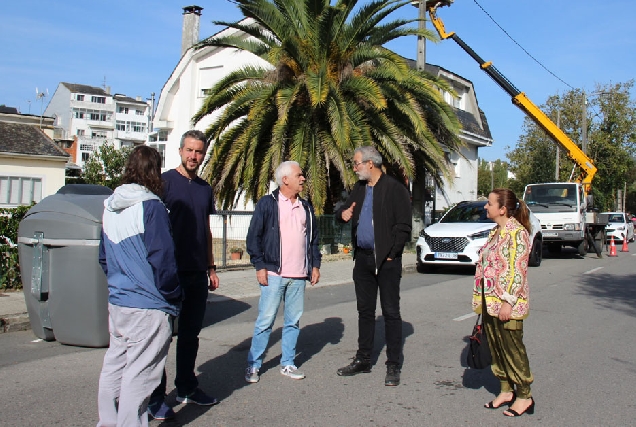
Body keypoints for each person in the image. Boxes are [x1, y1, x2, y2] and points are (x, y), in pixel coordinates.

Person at [97, 146, 182, 427]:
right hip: (148, 305)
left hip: (119, 302)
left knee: (114, 366)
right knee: (140, 373)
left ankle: (107, 422)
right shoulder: (152, 207)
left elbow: (103, 257)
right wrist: (173, 294)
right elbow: (163, 259)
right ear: (155, 171)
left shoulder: (109, 206)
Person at [148, 130, 220, 420]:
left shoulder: (205, 188)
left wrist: (211, 267)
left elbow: (206, 229)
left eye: (199, 152)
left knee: (190, 335)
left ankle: (187, 387)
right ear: (180, 151)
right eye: (189, 150)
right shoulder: (163, 183)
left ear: (204, 154)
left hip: (196, 273)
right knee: (161, 338)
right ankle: (155, 397)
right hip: (168, 273)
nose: (193, 156)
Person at [335, 146, 412, 386]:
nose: (354, 167)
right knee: (365, 311)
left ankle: (393, 365)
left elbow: (404, 226)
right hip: (363, 260)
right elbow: (342, 211)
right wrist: (342, 214)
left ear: (371, 164)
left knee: (390, 312)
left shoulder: (394, 189)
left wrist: (392, 254)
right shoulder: (359, 189)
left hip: (386, 262)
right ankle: (363, 359)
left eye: (356, 163)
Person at [244, 161, 321, 383]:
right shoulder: (268, 204)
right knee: (265, 321)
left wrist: (315, 265)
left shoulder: (306, 206)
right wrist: (260, 266)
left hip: (299, 275)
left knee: (293, 321)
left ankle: (287, 363)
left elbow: (313, 240)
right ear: (285, 179)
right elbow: (253, 238)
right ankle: (253, 365)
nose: (303, 178)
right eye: (299, 175)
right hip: (274, 274)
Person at [475, 188, 535, 417]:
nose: (485, 207)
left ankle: (524, 395)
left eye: (489, 203)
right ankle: (505, 390)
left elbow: (517, 271)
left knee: (513, 349)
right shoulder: (495, 232)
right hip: (490, 302)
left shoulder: (517, 233)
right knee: (497, 348)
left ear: (502, 209)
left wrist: (508, 302)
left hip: (508, 303)